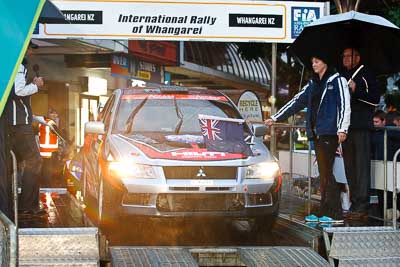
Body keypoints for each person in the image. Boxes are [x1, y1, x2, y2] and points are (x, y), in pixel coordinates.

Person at [265, 54, 351, 220]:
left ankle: (333, 212)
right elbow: (296, 102)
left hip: (329, 132)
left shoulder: (337, 80)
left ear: (325, 62)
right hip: (315, 133)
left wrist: (342, 128)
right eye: (312, 62)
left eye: (317, 61)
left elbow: (344, 105)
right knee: (324, 172)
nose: (313, 64)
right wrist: (276, 118)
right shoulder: (312, 84)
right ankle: (327, 211)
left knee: (326, 172)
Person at [5, 40, 45, 217]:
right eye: (29, 48)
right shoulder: (19, 65)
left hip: (13, 123)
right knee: (34, 160)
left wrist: (35, 117)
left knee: (11, 164)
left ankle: (15, 203)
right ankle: (27, 205)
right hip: (20, 126)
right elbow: (18, 91)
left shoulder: (9, 62)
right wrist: (36, 85)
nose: (31, 52)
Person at [340, 47, 381, 218]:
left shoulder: (366, 73)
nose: (345, 59)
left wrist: (357, 89)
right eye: (343, 56)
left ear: (357, 57)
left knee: (361, 166)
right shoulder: (343, 75)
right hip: (347, 128)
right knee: (349, 166)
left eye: (348, 56)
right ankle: (354, 201)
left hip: (362, 127)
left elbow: (375, 99)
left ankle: (362, 203)